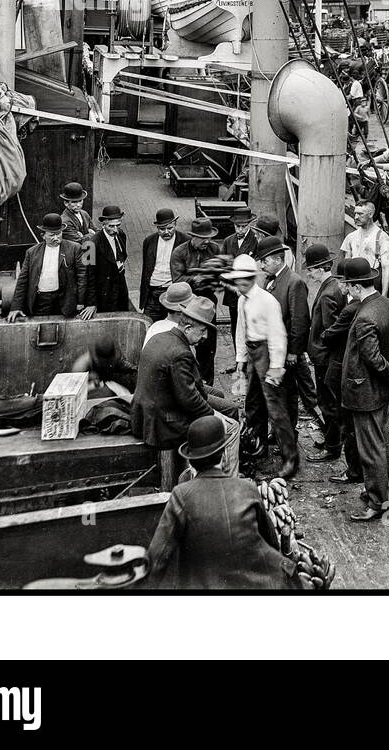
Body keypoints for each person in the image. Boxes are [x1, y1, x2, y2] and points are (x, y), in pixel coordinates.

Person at [144, 416, 297, 591]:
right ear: (224, 455)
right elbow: (271, 542)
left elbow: (157, 558)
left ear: (191, 461)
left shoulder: (181, 494)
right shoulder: (248, 488)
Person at [334, 257, 389, 521]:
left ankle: (377, 503)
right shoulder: (387, 305)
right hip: (381, 393)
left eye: (347, 285)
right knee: (380, 443)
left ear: (355, 287)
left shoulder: (364, 316)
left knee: (372, 449)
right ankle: (376, 493)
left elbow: (373, 359)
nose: (346, 290)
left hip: (365, 394)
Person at [131, 296, 237, 472]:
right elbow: (189, 400)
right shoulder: (181, 353)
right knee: (231, 427)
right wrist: (214, 415)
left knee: (220, 402)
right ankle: (228, 479)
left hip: (146, 416)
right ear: (188, 328)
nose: (204, 337)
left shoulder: (160, 337)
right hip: (163, 425)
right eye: (202, 331)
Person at [224, 253, 297, 479]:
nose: (241, 285)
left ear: (252, 279)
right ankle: (257, 448)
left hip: (267, 353)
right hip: (252, 353)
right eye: (238, 281)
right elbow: (240, 331)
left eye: (245, 280)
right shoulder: (241, 300)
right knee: (252, 404)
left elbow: (278, 335)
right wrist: (240, 360)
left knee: (275, 409)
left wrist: (276, 367)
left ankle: (290, 460)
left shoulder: (267, 301)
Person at [257, 234, 323, 438]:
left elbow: (299, 320)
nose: (261, 265)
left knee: (288, 394)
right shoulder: (271, 280)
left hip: (287, 351)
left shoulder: (294, 282)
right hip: (274, 349)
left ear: (278, 259)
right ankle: (279, 430)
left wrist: (294, 352)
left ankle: (288, 434)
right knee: (279, 392)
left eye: (265, 261)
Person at [303, 243, 348, 460]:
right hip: (327, 358)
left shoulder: (328, 294)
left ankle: (332, 448)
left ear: (321, 268)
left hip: (325, 359)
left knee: (328, 404)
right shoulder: (333, 287)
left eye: (311, 270)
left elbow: (331, 332)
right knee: (329, 403)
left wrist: (319, 353)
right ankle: (332, 441)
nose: (310, 274)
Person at [171, 216, 222, 383]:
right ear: (193, 236)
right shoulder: (179, 252)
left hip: (207, 303)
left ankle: (208, 385)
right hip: (187, 304)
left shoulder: (215, 250)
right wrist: (198, 278)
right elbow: (177, 281)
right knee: (184, 345)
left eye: (209, 237)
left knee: (207, 348)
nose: (207, 241)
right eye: (203, 238)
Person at [8, 212, 81, 321]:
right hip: (41, 301)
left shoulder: (74, 248)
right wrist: (15, 307)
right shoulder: (31, 253)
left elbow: (82, 277)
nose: (56, 238)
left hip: (64, 301)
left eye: (59, 233)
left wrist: (82, 302)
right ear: (43, 236)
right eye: (52, 235)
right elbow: (22, 281)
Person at [79, 203, 130, 318]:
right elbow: (88, 275)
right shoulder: (90, 245)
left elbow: (122, 255)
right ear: (103, 225)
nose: (115, 229)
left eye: (118, 225)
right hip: (104, 291)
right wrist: (91, 303)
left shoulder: (121, 234)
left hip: (120, 285)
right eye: (111, 226)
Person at [340, 200, 389, 296]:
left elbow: (386, 269)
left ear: (370, 214)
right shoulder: (351, 237)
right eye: (355, 214)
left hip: (372, 286)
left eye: (360, 214)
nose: (356, 217)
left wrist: (383, 296)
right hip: (354, 286)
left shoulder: (382, 237)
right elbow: (346, 264)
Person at [140, 208, 188, 322]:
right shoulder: (149, 241)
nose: (166, 232)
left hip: (173, 293)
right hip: (152, 294)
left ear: (175, 224)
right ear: (157, 228)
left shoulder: (185, 241)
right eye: (162, 229)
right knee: (148, 326)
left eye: (170, 228)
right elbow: (146, 269)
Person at [222, 205, 258, 338]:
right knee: (235, 326)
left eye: (243, 226)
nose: (240, 229)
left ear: (250, 224)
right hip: (233, 293)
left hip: (249, 292)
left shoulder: (255, 240)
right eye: (237, 226)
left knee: (250, 327)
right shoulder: (228, 241)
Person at [70, 331, 136, 392]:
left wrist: (134, 369)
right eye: (104, 361)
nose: (107, 363)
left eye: (110, 361)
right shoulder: (80, 367)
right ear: (96, 357)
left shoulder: (114, 357)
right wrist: (92, 383)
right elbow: (74, 391)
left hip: (111, 387)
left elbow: (123, 365)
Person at [58, 180, 96, 247]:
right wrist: (91, 234)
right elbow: (80, 241)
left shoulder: (84, 213)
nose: (78, 205)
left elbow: (96, 230)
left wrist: (85, 235)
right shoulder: (65, 221)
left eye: (80, 201)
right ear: (66, 203)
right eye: (74, 202)